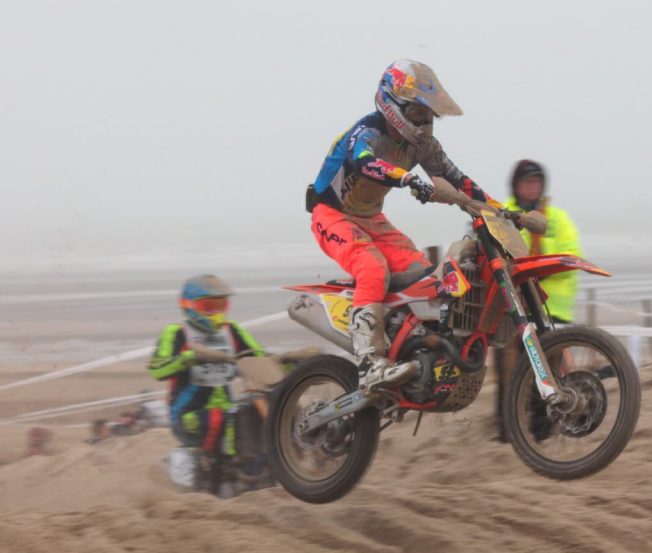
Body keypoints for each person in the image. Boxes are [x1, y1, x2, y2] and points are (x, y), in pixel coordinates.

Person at [306, 59, 498, 395]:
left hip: (370, 217)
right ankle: (369, 363)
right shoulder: (365, 134)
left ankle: (409, 347)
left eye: (429, 117)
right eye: (419, 115)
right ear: (393, 106)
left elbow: (458, 179)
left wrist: (499, 210)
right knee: (371, 266)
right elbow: (364, 163)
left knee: (420, 272)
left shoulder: (422, 144)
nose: (424, 124)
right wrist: (407, 178)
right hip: (331, 214)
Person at [147, 274, 266, 488]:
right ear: (190, 306)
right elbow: (156, 369)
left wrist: (290, 364)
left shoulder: (232, 331)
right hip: (185, 416)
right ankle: (205, 468)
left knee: (256, 415)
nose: (217, 312)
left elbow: (259, 358)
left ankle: (261, 469)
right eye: (209, 306)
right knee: (219, 419)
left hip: (228, 409)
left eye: (222, 305)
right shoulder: (176, 333)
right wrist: (188, 358)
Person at [494, 159, 583, 441]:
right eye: (526, 182)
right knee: (508, 372)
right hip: (510, 308)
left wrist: (538, 265)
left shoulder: (557, 219)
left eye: (536, 182)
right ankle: (508, 434)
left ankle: (542, 434)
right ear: (516, 186)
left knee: (545, 373)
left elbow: (571, 254)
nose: (532, 188)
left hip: (549, 309)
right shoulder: (498, 213)